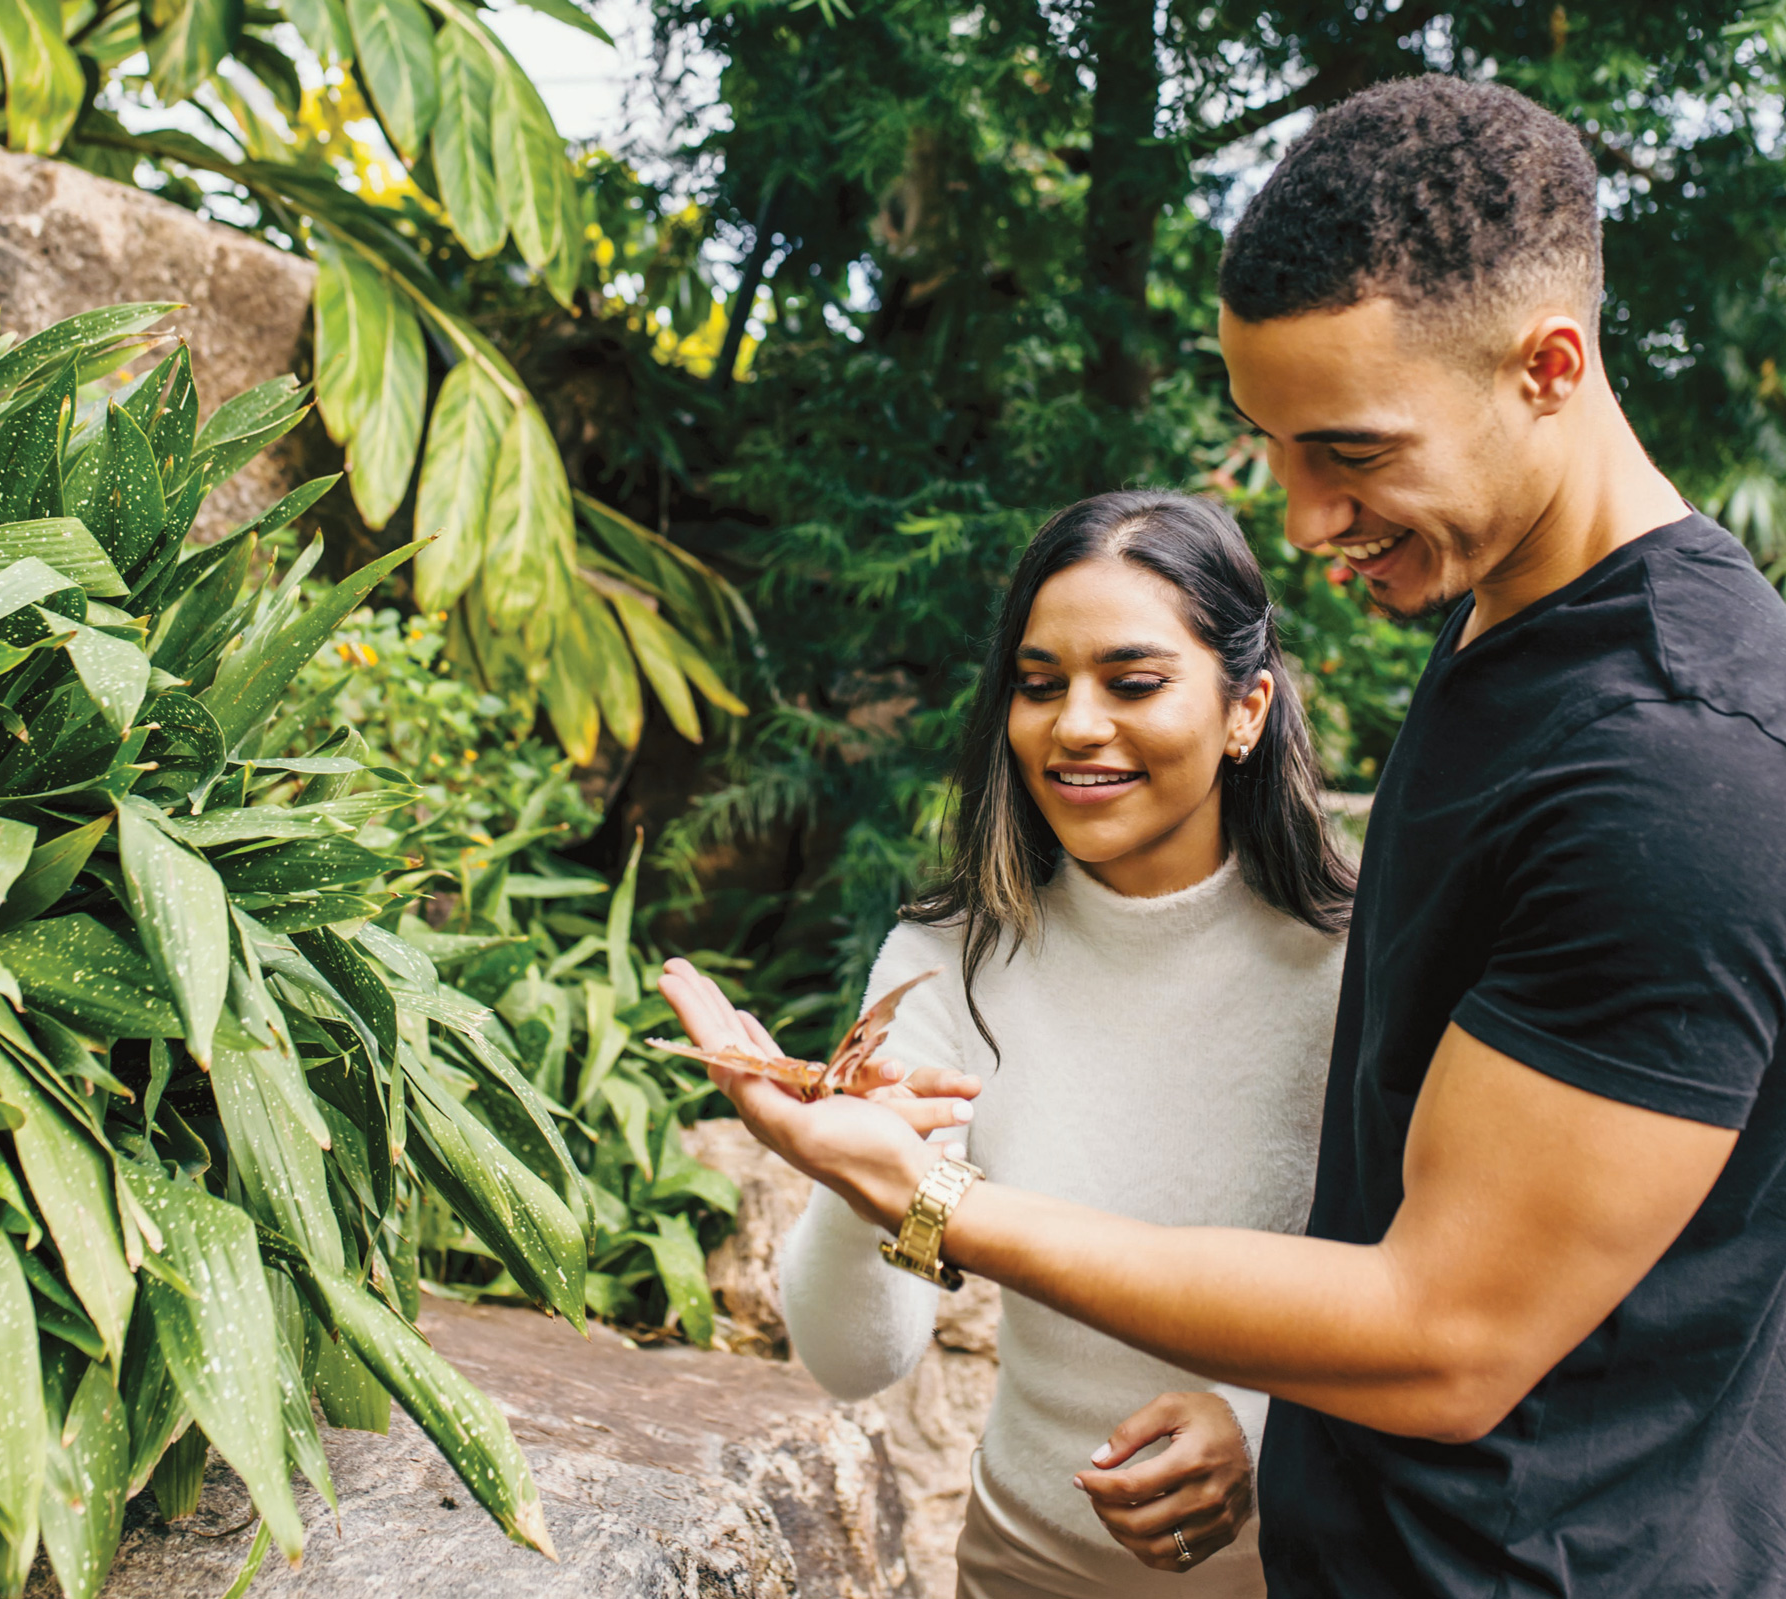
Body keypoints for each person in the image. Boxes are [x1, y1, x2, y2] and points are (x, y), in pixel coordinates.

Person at [662, 75, 1786, 1599]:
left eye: (1352, 450)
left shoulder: (1682, 765)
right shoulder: (1499, 618)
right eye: (1269, 442)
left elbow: (1445, 1334)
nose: (1303, 516)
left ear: (1549, 368)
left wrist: (935, 1203)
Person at [691, 489, 1352, 1596]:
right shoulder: (948, 954)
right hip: (1025, 1566)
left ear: (1247, 710)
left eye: (1132, 683)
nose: (1075, 726)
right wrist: (864, 1187)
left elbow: (1446, 1304)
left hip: (1304, 1566)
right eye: (1039, 687)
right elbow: (856, 1363)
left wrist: (1257, 1424)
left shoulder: (1360, 956)